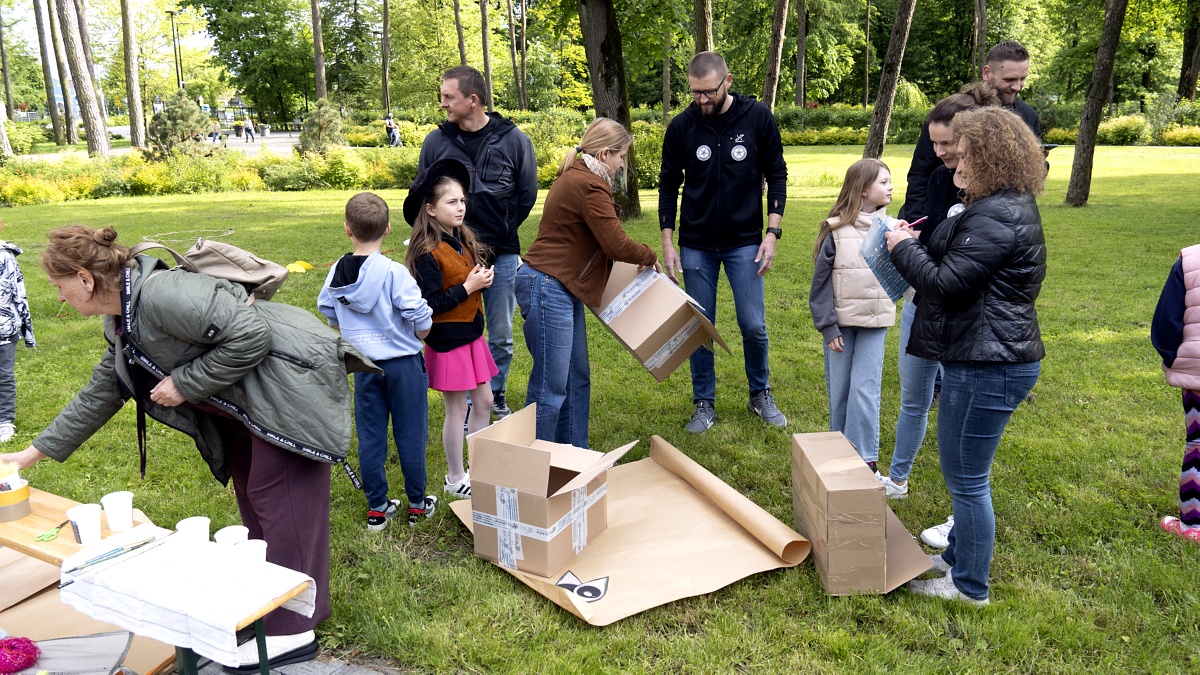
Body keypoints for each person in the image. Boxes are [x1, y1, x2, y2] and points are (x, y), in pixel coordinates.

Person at [2, 226, 375, 669]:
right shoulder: (122, 315)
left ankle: (295, 630)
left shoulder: (161, 296)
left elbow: (251, 335)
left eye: (58, 286)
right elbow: (105, 388)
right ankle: (270, 606)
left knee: (284, 504)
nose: (59, 298)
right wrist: (32, 453)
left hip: (292, 389)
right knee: (255, 497)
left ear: (85, 279)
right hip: (252, 400)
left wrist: (184, 382)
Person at [887, 107, 1046, 606]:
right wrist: (917, 241)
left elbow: (945, 284)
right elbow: (958, 263)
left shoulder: (997, 213)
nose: (955, 161)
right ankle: (957, 559)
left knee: (968, 480)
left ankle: (969, 586)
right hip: (986, 356)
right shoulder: (998, 205)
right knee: (964, 471)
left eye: (965, 153)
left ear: (991, 157)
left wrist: (901, 248)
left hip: (988, 364)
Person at [882, 84, 1000, 503]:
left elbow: (967, 262)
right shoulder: (937, 178)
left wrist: (919, 249)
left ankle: (962, 505)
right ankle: (897, 480)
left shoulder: (992, 193)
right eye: (932, 143)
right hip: (924, 302)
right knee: (914, 398)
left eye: (946, 143)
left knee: (959, 411)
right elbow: (933, 238)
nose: (938, 152)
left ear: (971, 140)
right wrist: (910, 237)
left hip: (965, 318)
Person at [659, 51, 789, 433]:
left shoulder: (757, 117)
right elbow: (668, 185)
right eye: (695, 92)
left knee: (753, 324)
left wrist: (772, 233)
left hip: (744, 242)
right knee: (700, 326)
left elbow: (777, 174)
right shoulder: (681, 127)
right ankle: (704, 403)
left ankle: (760, 393)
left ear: (727, 81)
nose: (701, 100)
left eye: (709, 92)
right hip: (696, 244)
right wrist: (668, 242)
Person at [516, 118, 659, 447]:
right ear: (606, 153)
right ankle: (529, 467)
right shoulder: (588, 184)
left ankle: (573, 458)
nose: (622, 165)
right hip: (548, 287)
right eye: (621, 156)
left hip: (559, 287)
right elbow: (616, 244)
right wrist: (649, 255)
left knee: (575, 379)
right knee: (550, 389)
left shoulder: (581, 177)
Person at [418, 66, 537, 420]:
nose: (442, 103)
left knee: (500, 333)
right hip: (450, 254)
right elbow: (423, 191)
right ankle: (467, 400)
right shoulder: (436, 142)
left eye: (448, 97)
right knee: (457, 325)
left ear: (473, 100)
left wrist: (503, 228)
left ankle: (493, 394)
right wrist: (446, 241)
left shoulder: (514, 140)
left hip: (501, 253)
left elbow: (527, 193)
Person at [319, 192, 437, 530]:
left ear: (347, 229)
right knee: (411, 433)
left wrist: (352, 332)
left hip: (364, 366)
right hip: (404, 366)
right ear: (387, 229)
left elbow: (328, 310)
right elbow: (420, 316)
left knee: (370, 435)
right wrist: (420, 334)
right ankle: (417, 505)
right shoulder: (395, 272)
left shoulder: (337, 273)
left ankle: (378, 509)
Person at [405, 158, 496, 500]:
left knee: (485, 400)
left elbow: (464, 280)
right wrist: (468, 288)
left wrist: (481, 280)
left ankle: (479, 469)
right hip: (447, 340)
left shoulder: (462, 240)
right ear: (430, 209)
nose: (460, 208)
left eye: (462, 201)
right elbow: (429, 304)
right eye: (451, 202)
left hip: (471, 335)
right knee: (457, 409)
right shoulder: (426, 252)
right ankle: (455, 477)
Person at [809, 158, 896, 474]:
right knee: (842, 390)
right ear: (862, 190)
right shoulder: (834, 230)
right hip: (840, 329)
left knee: (864, 389)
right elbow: (820, 285)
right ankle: (839, 452)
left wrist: (908, 247)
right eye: (884, 182)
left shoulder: (893, 229)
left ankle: (864, 460)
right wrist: (828, 326)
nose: (891, 187)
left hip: (874, 324)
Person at [899, 41, 1042, 223]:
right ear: (986, 73)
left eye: (1022, 79)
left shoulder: (1027, 116)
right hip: (939, 213)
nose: (1017, 86)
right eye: (1009, 80)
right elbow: (920, 173)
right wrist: (916, 223)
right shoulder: (952, 112)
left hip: (993, 218)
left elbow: (1030, 173)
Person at [1151, 244, 1200, 543]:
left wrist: (1172, 356)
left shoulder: (1191, 259)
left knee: (1198, 445)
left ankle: (1193, 524)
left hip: (1198, 373)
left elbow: (1166, 318)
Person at [0, 239, 35, 444]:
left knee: (3, 375)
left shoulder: (4, 256)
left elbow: (19, 294)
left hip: (3, 329)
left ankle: (4, 420)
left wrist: (27, 332)